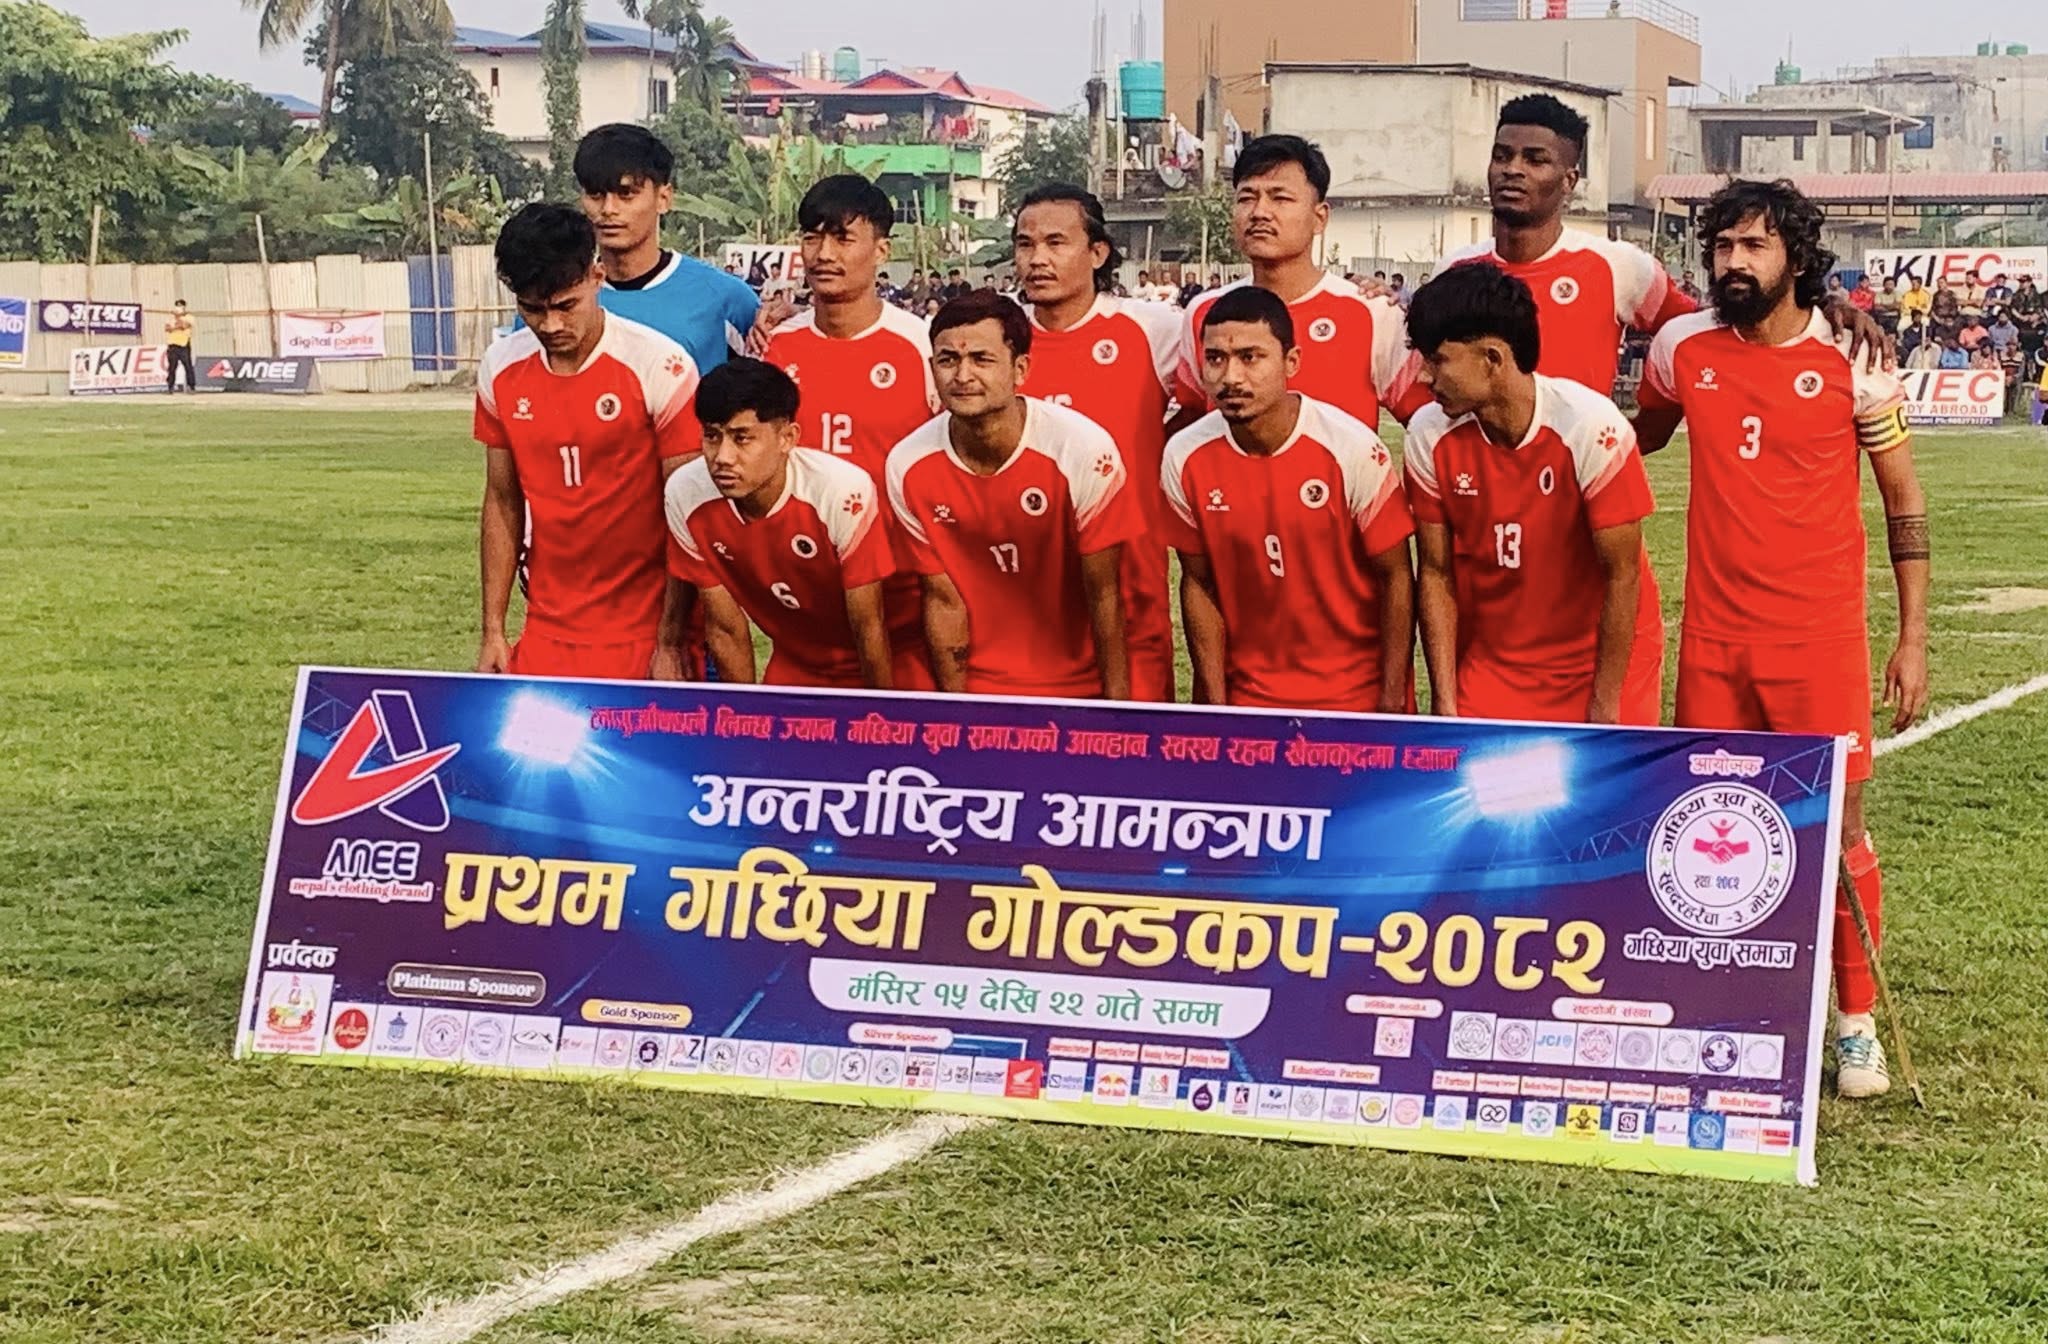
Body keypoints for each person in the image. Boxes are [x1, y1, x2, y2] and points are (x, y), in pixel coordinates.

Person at [1635, 178, 1930, 1101]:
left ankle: (1855, 1024)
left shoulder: (1853, 356)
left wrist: (1913, 638)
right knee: (1710, 828)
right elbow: (1639, 437)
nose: (1734, 263)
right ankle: (1725, 1006)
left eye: (1754, 246)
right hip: (1715, 642)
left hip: (1820, 643)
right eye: (1722, 246)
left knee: (1840, 832)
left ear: (1795, 258)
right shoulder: (1681, 349)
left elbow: (1904, 502)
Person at [1404, 263, 1662, 725]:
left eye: (1437, 360)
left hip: (1600, 660)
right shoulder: (1428, 434)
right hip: (1496, 663)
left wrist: (1604, 708)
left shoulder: (1591, 427)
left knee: (1601, 774)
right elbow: (1437, 573)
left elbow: (1622, 577)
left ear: (1493, 358)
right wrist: (1445, 702)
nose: (1424, 377)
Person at [474, 203, 700, 681]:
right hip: (548, 630)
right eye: (532, 309)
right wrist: (493, 629)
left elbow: (687, 514)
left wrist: (670, 640)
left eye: (565, 306)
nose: (550, 325)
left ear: (597, 276)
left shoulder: (660, 366)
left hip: (646, 632)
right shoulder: (500, 367)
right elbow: (502, 500)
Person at [1162, 286, 1415, 713]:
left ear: (1291, 361)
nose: (1231, 377)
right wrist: (1216, 705)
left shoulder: (1351, 447)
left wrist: (1390, 701)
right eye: (1216, 359)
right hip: (1249, 698)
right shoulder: (1184, 455)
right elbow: (1198, 582)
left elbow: (1396, 577)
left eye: (1250, 357)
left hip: (1354, 693)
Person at [886, 290, 1141, 698]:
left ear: (1020, 368)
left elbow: (1105, 595)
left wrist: (1116, 712)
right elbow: (943, 600)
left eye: (981, 359)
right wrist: (958, 710)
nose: (962, 375)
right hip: (979, 685)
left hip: (1080, 681)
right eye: (948, 360)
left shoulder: (1083, 450)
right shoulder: (907, 464)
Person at [760, 174, 940, 688]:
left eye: (843, 238)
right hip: (804, 610)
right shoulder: (778, 346)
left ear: (881, 249)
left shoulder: (922, 346)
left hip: (902, 611)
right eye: (812, 238)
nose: (824, 254)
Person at [1011, 183, 1184, 701]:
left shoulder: (1156, 330)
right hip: (1022, 606)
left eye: (1056, 243)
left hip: (1132, 594)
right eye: (1025, 244)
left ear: (1098, 252)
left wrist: (1153, 451)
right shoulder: (995, 338)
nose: (1037, 259)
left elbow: (1215, 402)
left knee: (1131, 744)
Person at [665, 358, 909, 688]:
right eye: (712, 436)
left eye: (742, 438)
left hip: (895, 655)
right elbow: (725, 629)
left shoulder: (840, 492)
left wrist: (878, 713)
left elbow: (870, 628)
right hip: (798, 663)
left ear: (787, 438)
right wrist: (743, 714)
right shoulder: (685, 492)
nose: (722, 457)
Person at [1438, 94, 1697, 397]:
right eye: (1502, 156)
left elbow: (1697, 337)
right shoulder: (1453, 271)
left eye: (1535, 160)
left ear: (1569, 181)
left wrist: (1648, 417)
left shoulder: (1618, 266)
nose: (1512, 169)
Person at [1177, 135, 1428, 429]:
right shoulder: (1204, 312)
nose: (1259, 212)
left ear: (1320, 218)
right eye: (1247, 198)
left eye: (1280, 198)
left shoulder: (1372, 312)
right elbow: (1192, 421)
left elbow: (1428, 422)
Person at [574, 124, 761, 375]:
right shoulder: (557, 304)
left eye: (626, 194)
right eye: (595, 194)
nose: (608, 209)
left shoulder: (728, 300)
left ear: (663, 198)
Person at [164, 299, 196, 393]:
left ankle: (191, 386)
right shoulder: (170, 318)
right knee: (172, 367)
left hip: (183, 344)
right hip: (172, 344)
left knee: (188, 366)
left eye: (180, 305)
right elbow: (167, 328)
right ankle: (170, 386)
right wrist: (174, 325)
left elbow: (184, 326)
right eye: (177, 305)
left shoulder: (189, 317)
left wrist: (178, 318)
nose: (178, 307)